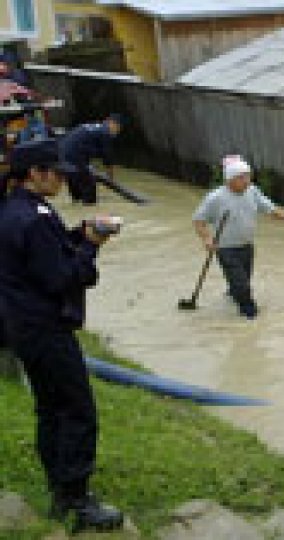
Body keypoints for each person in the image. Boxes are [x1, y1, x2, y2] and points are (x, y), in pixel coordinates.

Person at [0, 139, 124, 532]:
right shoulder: (33, 217)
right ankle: (76, 500)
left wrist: (76, 235)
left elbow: (42, 257)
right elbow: (59, 277)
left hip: (23, 325)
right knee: (77, 410)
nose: (62, 180)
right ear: (35, 174)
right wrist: (90, 246)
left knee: (50, 408)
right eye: (56, 173)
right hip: (46, 327)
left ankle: (60, 486)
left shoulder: (18, 209)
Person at [192, 155, 284, 319]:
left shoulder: (252, 191)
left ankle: (233, 294)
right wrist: (207, 239)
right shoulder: (215, 198)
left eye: (248, 176)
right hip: (225, 248)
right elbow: (198, 220)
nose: (247, 181)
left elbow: (270, 209)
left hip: (247, 246)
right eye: (241, 177)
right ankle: (250, 316)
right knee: (243, 286)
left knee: (242, 280)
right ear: (230, 180)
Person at [58, 113, 125, 205]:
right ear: (112, 123)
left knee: (76, 180)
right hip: (75, 154)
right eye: (118, 128)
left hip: (62, 153)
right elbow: (107, 155)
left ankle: (77, 202)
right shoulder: (105, 132)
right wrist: (110, 177)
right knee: (89, 184)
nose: (117, 132)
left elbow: (84, 146)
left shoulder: (93, 127)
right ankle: (89, 205)